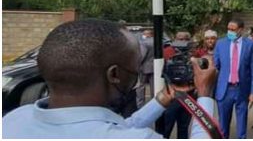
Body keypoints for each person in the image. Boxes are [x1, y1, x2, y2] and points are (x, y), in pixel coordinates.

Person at [2, 19, 217, 138]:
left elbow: (120, 126)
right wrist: (205, 94)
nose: (136, 75)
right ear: (114, 74)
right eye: (134, 69)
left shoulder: (14, 120)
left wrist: (161, 99)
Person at [214, 20, 253, 139]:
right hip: (225, 89)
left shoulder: (250, 45)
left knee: (241, 125)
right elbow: (216, 65)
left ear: (241, 30)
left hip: (242, 89)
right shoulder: (220, 44)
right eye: (228, 29)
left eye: (233, 29)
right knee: (223, 125)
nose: (230, 31)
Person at [162, 31, 194, 139]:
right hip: (172, 97)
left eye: (185, 39)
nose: (182, 42)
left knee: (183, 127)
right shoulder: (167, 54)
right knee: (166, 127)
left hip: (188, 97)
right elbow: (164, 75)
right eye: (179, 39)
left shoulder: (193, 57)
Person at [137, 29, 155, 108]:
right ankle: (154, 104)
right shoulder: (159, 42)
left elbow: (142, 56)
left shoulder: (144, 43)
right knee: (154, 86)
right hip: (155, 67)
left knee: (141, 87)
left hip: (144, 67)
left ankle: (140, 105)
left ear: (147, 34)